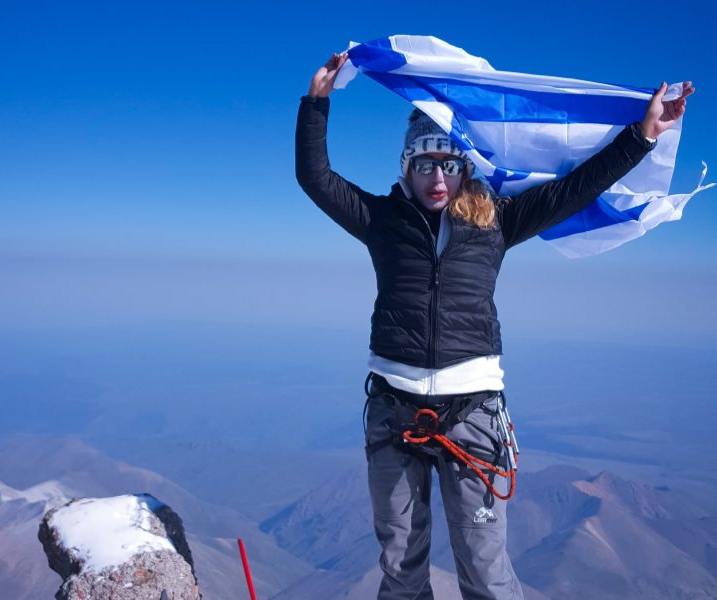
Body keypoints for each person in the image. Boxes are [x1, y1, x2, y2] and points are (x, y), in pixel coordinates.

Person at [295, 52, 693, 600]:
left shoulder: (496, 225)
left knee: (484, 569)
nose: (438, 176)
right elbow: (314, 179)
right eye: (425, 164)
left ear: (465, 169)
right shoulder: (381, 222)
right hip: (393, 411)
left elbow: (575, 188)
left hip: (472, 417)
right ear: (406, 170)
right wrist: (316, 102)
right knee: (400, 566)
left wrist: (642, 136)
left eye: (450, 164)